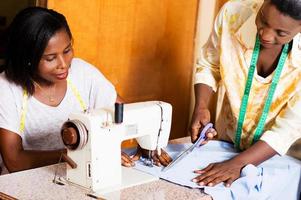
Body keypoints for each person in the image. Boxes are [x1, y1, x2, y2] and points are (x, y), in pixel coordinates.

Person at [0, 7, 171, 173]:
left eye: (67, 50)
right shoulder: (7, 88)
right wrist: (78, 154)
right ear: (27, 58)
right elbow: (15, 161)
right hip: (24, 183)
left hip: (78, 173)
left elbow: (123, 112)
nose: (64, 64)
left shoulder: (82, 72)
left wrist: (146, 142)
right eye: (50, 58)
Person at [189, 0, 301, 187]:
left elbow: (287, 129)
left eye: (281, 33)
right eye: (263, 19)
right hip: (228, 142)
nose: (265, 34)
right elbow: (210, 64)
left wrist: (238, 164)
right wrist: (201, 105)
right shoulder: (233, 14)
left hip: (284, 158)